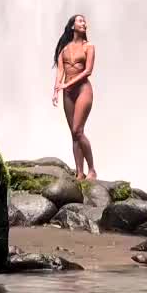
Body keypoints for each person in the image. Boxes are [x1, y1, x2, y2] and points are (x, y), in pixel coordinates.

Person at [52, 13, 96, 179]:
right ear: (72, 26)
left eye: (85, 21)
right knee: (74, 133)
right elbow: (60, 71)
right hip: (67, 93)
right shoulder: (64, 48)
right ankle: (79, 172)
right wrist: (56, 90)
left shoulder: (88, 47)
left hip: (83, 90)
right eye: (80, 20)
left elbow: (88, 71)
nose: (84, 23)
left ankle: (92, 169)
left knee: (78, 130)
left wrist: (67, 85)